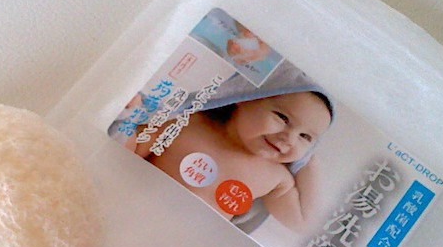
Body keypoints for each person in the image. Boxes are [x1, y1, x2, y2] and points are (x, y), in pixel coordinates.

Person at [133, 90, 332, 233]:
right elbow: (132, 148)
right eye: (282, 118)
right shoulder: (189, 124)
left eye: (305, 137)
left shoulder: (276, 177)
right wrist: (131, 112)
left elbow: (303, 222)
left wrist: (309, 165)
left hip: (183, 244)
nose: (289, 139)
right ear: (246, 98)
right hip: (136, 205)